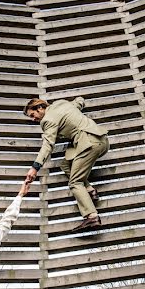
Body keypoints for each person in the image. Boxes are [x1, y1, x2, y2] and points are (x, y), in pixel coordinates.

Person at [23, 96, 108, 231]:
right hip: (102, 140)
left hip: (89, 143)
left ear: (40, 108)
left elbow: (48, 145)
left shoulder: (47, 120)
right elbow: (79, 102)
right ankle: (90, 191)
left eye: (33, 115)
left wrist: (35, 167)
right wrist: (80, 99)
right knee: (65, 164)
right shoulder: (61, 104)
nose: (34, 119)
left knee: (75, 182)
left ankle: (91, 216)